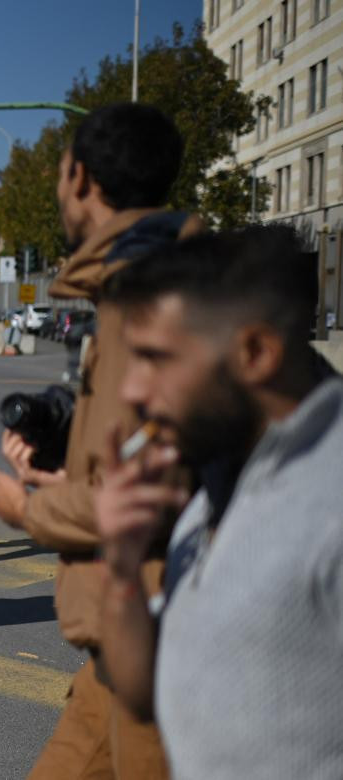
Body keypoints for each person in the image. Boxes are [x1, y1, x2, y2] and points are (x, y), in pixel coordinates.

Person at [0, 103, 202, 778]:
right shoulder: (151, 288)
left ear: (78, 179)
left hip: (163, 655)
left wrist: (29, 510)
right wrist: (58, 475)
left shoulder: (152, 304)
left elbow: (154, 497)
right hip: (121, 657)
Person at [95, 226, 341, 778]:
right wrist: (122, 567)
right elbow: (140, 691)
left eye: (156, 358)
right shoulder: (217, 494)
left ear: (255, 352)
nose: (132, 391)